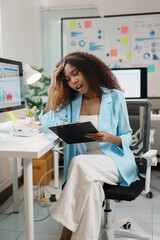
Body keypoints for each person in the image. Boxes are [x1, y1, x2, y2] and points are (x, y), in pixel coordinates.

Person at [39, 51, 139, 240]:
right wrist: (53, 84)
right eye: (68, 79)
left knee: (79, 162)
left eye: (76, 73)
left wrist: (110, 138)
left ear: (88, 70)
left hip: (113, 161)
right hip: (86, 165)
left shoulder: (115, 96)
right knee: (92, 191)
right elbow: (47, 126)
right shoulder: (72, 102)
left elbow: (127, 137)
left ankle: (65, 233)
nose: (73, 81)